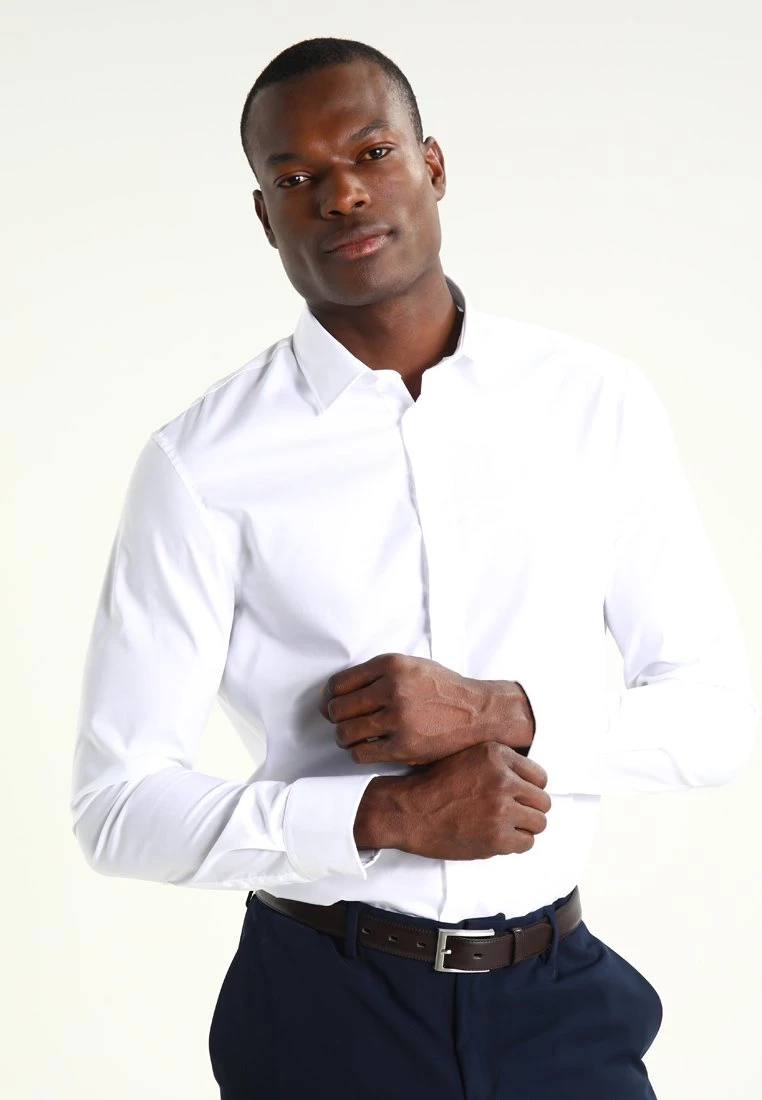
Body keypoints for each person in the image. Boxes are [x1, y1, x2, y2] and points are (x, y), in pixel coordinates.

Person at [70, 36, 759, 1100]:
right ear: (265, 217)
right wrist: (378, 816)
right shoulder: (201, 464)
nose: (340, 193)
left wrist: (502, 712)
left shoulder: (594, 404)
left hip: (561, 1001)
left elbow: (719, 716)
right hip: (320, 1009)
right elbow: (117, 805)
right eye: (295, 177)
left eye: (371, 152)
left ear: (432, 165)